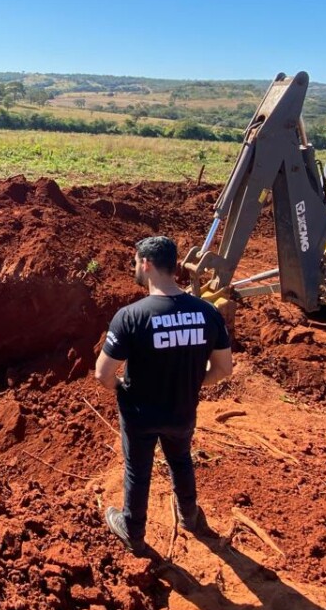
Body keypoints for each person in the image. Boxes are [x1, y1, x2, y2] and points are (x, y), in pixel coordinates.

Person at [95, 236, 233, 554]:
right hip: (182, 409)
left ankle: (133, 529)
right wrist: (193, 383)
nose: (135, 267)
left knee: (137, 469)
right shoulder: (208, 313)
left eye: (135, 262)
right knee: (181, 460)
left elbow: (103, 373)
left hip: (141, 413)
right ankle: (189, 516)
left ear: (146, 264)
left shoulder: (131, 317)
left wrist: (122, 391)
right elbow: (224, 369)